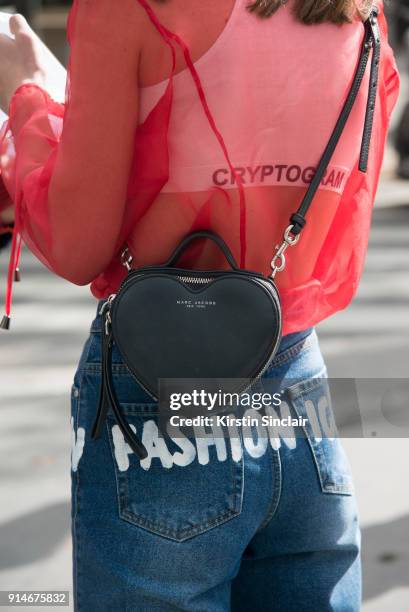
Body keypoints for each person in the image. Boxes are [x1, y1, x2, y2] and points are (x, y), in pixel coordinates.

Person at [0, 1, 399, 610]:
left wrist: (26, 89)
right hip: (297, 387)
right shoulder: (359, 9)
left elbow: (78, 243)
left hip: (158, 399)